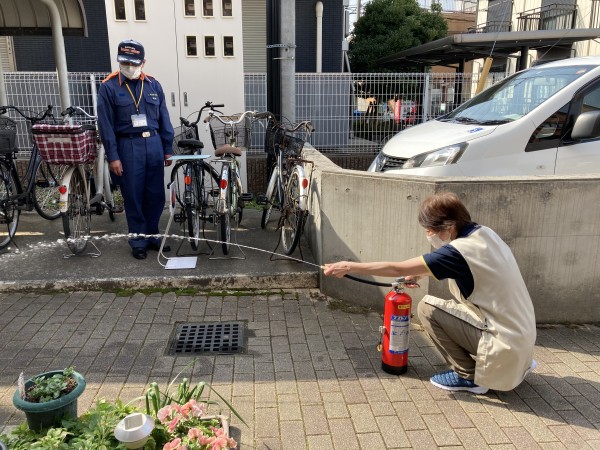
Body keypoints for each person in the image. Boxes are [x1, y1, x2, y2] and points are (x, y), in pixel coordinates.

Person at [324, 192, 536, 394]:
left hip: (504, 343)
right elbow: (460, 268)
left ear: (449, 227)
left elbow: (397, 269)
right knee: (451, 308)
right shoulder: (484, 233)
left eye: (430, 230)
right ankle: (512, 364)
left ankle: (469, 377)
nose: (429, 235)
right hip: (521, 336)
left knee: (427, 309)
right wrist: (420, 273)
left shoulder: (457, 252)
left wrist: (349, 266)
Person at [98, 39, 174, 260]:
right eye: (125, 62)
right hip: (128, 146)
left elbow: (164, 118)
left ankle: (152, 235)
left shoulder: (153, 85)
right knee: (133, 195)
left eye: (134, 63)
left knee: (155, 195)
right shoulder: (108, 87)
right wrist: (113, 156)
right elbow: (106, 126)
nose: (129, 67)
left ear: (143, 62)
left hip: (154, 144)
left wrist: (167, 147)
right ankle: (138, 240)